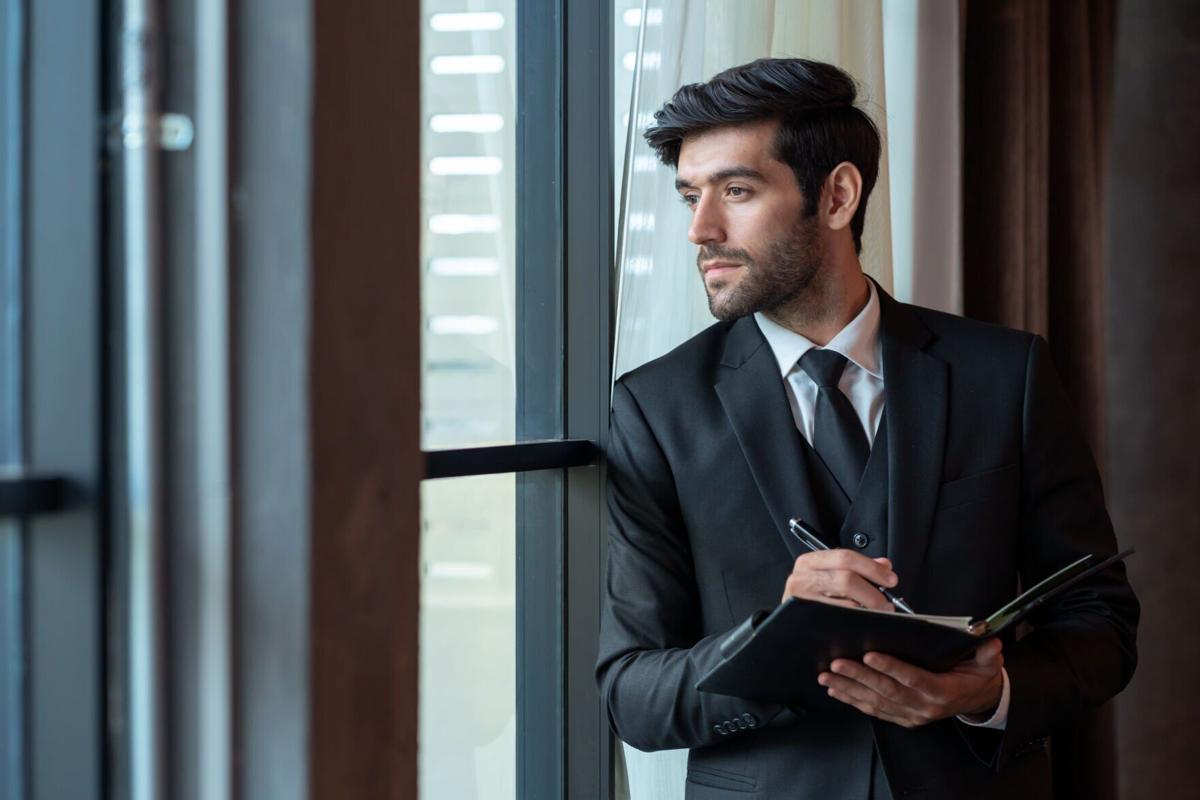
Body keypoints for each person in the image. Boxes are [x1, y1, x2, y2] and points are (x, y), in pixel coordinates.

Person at [595, 58, 1138, 800]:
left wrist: (988, 693)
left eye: (737, 191)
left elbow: (1101, 620)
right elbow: (632, 692)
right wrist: (773, 643)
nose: (701, 229)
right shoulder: (656, 407)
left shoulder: (1004, 375)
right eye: (692, 195)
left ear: (838, 196)